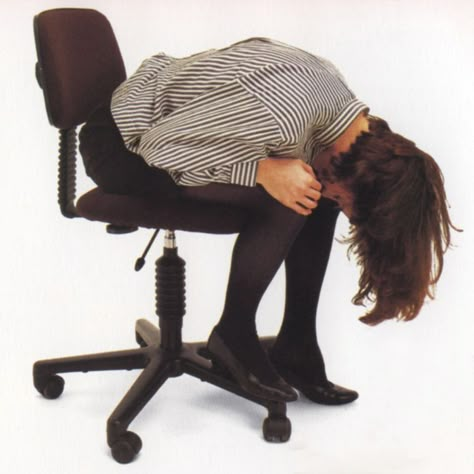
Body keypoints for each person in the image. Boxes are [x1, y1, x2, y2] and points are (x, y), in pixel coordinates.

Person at [79, 37, 457, 404]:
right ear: (358, 171)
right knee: (297, 195)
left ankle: (297, 343)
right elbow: (158, 149)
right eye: (347, 203)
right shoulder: (281, 117)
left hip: (173, 131)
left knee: (312, 190)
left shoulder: (343, 125)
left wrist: (296, 181)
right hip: (120, 144)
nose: (343, 210)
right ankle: (233, 332)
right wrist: (259, 170)